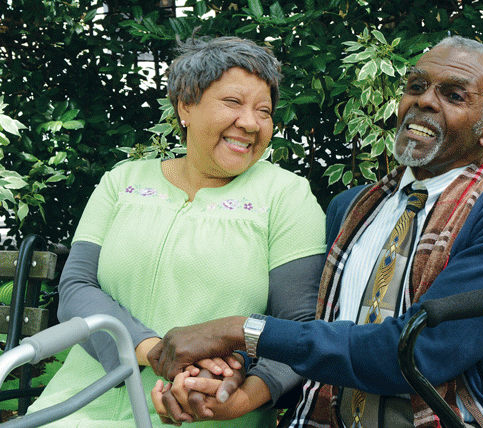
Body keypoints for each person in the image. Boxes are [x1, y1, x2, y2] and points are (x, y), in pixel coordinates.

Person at [148, 35, 483, 428]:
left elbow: (420, 353)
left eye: (453, 95)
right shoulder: (351, 209)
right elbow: (310, 336)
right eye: (416, 86)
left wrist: (242, 329)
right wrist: (224, 379)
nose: (424, 101)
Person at [25, 31, 326, 428]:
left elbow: (298, 329)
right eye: (233, 102)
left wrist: (233, 390)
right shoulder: (123, 181)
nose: (250, 123)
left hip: (203, 411)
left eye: (264, 111)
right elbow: (77, 287)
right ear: (186, 105)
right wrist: (158, 353)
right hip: (77, 404)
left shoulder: (286, 195)